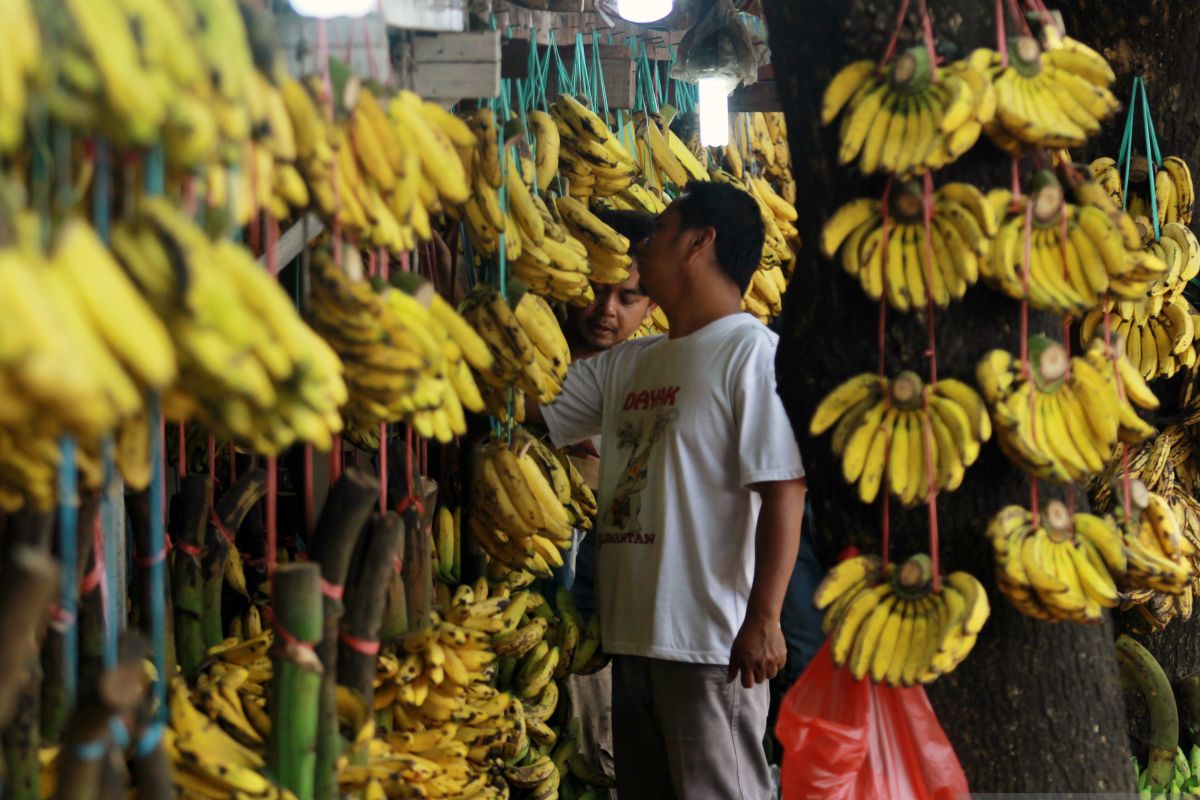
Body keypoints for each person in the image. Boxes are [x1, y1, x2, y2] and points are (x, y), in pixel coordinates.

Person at [539, 182, 807, 800]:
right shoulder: (632, 363)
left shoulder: (752, 355)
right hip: (634, 638)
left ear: (698, 243)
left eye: (657, 231)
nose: (641, 247)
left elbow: (783, 491)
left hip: (711, 646)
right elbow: (530, 401)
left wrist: (764, 617)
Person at [553, 209, 658, 797]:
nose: (606, 310)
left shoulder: (646, 374)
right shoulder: (536, 364)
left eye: (629, 297)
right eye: (596, 290)